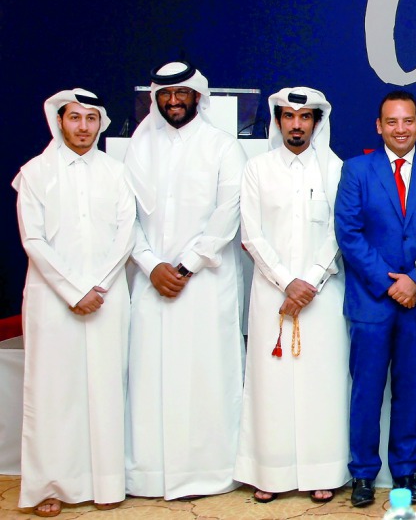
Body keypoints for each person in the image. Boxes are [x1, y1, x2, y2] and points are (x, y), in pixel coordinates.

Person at [124, 61, 247, 499]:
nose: (173, 101)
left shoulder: (221, 146)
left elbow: (228, 211)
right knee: (150, 377)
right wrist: (149, 263)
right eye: (166, 95)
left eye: (182, 93)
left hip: (205, 283)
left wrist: (186, 265)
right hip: (151, 281)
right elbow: (125, 215)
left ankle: (207, 470)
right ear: (157, 98)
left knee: (205, 376)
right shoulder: (140, 146)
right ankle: (149, 474)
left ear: (198, 95)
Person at [14, 90, 135, 517]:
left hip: (106, 297)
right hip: (53, 300)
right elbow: (33, 240)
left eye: (90, 119)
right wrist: (73, 290)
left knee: (106, 389)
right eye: (74, 119)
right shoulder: (35, 173)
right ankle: (49, 486)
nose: (83, 127)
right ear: (59, 121)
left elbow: (126, 234)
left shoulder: (116, 173)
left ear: (100, 123)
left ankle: (106, 484)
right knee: (53, 394)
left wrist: (97, 286)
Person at [335, 90, 416, 507]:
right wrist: (390, 283)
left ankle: (405, 473)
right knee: (366, 391)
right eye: (392, 122)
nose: (400, 129)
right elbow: (348, 234)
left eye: (408, 121)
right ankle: (363, 475)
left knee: (410, 389)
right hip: (372, 302)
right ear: (379, 126)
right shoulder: (356, 170)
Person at [234, 87, 349, 504]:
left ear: (317, 122)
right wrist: (287, 283)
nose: (296, 125)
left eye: (305, 118)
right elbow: (252, 234)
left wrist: (311, 281)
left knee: (323, 383)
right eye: (288, 117)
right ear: (278, 120)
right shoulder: (257, 169)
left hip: (323, 296)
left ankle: (324, 471)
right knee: (272, 385)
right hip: (271, 296)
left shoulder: (336, 169)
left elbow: (342, 230)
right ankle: (271, 472)